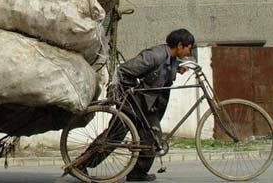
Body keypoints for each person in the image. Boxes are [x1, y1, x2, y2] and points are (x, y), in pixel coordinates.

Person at [79, 28, 195, 182]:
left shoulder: (171, 59)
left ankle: (137, 173)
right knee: (115, 135)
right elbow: (124, 71)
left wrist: (177, 68)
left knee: (152, 137)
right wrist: (131, 92)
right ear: (180, 45)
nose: (190, 51)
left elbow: (162, 72)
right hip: (131, 99)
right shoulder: (154, 55)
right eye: (189, 47)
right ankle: (82, 164)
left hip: (146, 105)